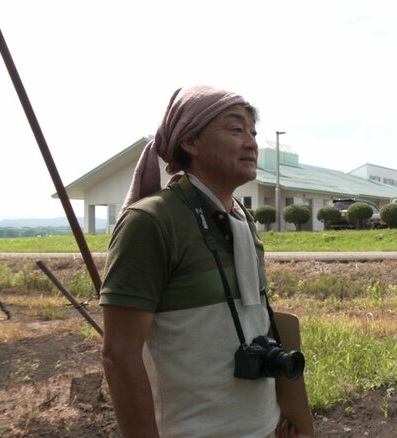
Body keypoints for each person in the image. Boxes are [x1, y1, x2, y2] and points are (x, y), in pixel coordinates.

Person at [100, 85, 302, 438]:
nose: (252, 143)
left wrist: (286, 413)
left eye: (253, 133)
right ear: (190, 141)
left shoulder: (243, 221)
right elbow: (119, 355)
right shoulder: (151, 222)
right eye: (236, 129)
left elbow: (256, 321)